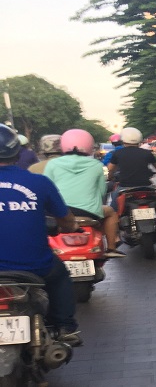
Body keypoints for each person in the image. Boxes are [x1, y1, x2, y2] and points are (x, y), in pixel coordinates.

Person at [0, 124, 82, 347]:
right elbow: (66, 219)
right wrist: (68, 228)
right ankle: (64, 326)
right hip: (35, 265)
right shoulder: (39, 182)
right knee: (60, 277)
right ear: (17, 152)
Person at [44, 129, 126, 258]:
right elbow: (101, 192)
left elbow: (47, 190)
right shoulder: (96, 165)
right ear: (89, 144)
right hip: (89, 212)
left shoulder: (52, 164)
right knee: (110, 212)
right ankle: (111, 247)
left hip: (60, 211)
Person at [107, 127, 156, 211]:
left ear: (123, 140)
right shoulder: (147, 153)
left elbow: (111, 169)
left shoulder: (118, 153)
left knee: (113, 208)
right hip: (146, 186)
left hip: (124, 187)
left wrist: (110, 176)